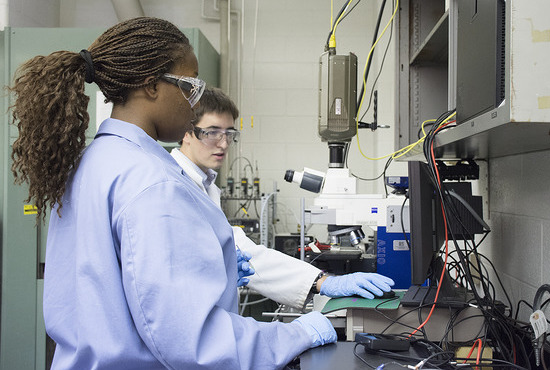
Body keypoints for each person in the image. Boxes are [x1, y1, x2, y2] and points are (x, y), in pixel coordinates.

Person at [9, 17, 336, 370]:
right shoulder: (152, 181)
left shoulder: (92, 162)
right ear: (151, 86)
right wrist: (298, 334)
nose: (196, 103)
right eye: (190, 85)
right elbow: (194, 342)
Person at [170, 86, 396, 309]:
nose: (223, 143)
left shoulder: (204, 186)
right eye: (212, 133)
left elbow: (244, 252)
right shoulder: (173, 187)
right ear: (185, 132)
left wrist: (323, 282)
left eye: (229, 134)